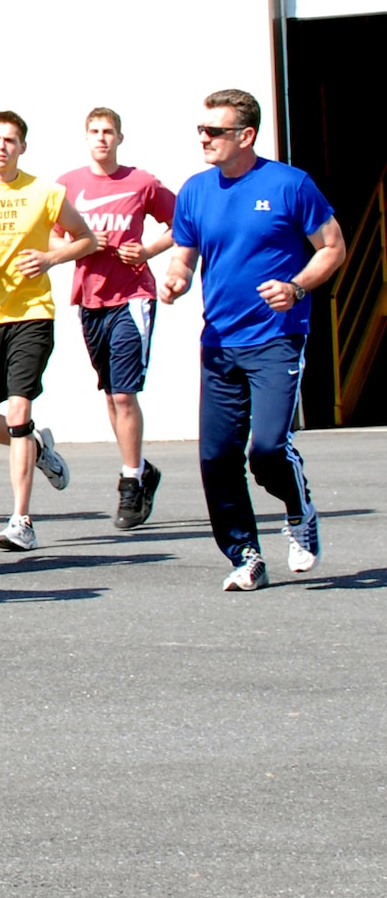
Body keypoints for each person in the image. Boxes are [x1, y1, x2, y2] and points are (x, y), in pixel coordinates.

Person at [160, 88, 344, 590]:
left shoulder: (290, 185)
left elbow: (333, 247)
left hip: (277, 338)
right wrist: (176, 276)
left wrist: (296, 286)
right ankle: (244, 554)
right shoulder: (196, 190)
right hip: (219, 343)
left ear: (246, 136)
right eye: (201, 130)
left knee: (265, 449)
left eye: (214, 132)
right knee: (217, 457)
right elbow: (184, 251)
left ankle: (298, 511)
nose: (204, 138)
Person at [0, 112, 97, 553]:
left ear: (22, 146)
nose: (2, 146)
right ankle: (38, 450)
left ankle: (21, 520)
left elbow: (87, 239)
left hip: (31, 314)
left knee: (17, 412)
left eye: (11, 140)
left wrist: (51, 258)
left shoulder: (46, 192)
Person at [56, 108, 177, 529]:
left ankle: (129, 482)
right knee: (110, 393)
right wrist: (82, 243)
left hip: (133, 297)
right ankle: (142, 468)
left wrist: (147, 251)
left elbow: (181, 223)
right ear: (85, 137)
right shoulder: (68, 185)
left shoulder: (141, 181)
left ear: (120, 138)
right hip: (90, 299)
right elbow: (50, 236)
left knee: (125, 394)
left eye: (109, 132)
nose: (102, 138)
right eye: (94, 132)